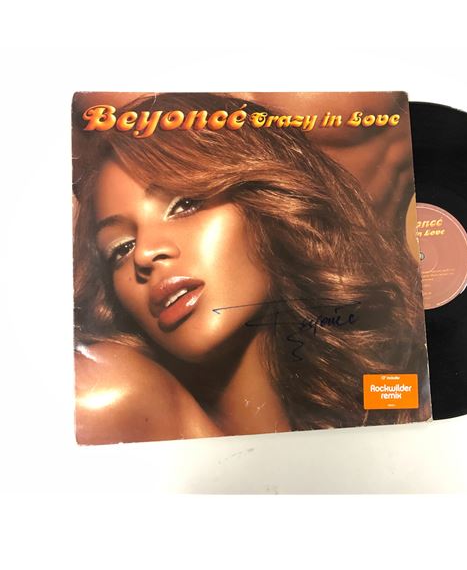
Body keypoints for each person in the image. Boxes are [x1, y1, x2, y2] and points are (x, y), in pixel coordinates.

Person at [73, 92, 430, 445]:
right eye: (120, 249)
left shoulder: (377, 395)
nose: (145, 253)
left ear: (270, 205)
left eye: (184, 205)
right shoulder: (113, 396)